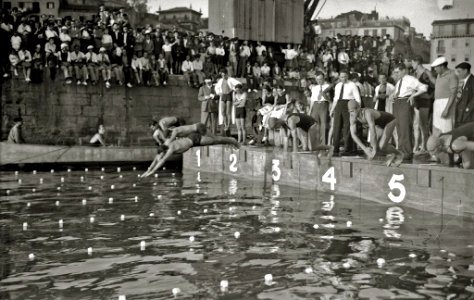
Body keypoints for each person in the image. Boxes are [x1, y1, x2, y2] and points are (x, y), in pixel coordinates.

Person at [141, 133, 240, 177]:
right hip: (191, 141)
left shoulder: (171, 148)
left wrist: (152, 172)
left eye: (162, 154)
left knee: (216, 141)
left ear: (164, 151)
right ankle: (230, 141)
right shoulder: (164, 146)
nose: (161, 156)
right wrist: (147, 171)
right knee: (216, 141)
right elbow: (157, 159)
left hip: (195, 139)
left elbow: (162, 161)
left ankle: (232, 140)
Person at [348, 100, 404, 166]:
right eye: (350, 112)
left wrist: (374, 149)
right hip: (379, 125)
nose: (352, 114)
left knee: (381, 146)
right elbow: (353, 135)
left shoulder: (367, 113)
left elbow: (373, 131)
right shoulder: (352, 117)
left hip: (389, 121)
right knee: (373, 148)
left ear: (358, 108)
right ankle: (392, 154)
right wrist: (364, 148)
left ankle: (399, 154)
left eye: (353, 111)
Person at [390, 64, 428, 161]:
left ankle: (407, 152)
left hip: (405, 102)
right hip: (397, 102)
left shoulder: (410, 79)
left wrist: (413, 95)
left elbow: (424, 87)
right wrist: (392, 95)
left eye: (398, 72)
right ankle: (401, 151)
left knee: (405, 127)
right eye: (395, 72)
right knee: (398, 127)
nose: (396, 74)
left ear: (404, 71)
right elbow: (398, 92)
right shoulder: (399, 81)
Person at [268, 112, 334, 156]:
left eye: (276, 127)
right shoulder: (282, 123)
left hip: (313, 125)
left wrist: (294, 152)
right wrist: (285, 153)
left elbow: (295, 138)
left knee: (312, 148)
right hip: (303, 128)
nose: (277, 128)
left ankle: (330, 147)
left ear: (277, 121)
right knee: (305, 148)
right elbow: (286, 138)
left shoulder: (290, 120)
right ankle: (321, 152)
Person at [331, 71, 361, 156]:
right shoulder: (337, 86)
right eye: (341, 77)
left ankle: (348, 149)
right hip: (338, 105)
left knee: (347, 128)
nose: (343, 78)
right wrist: (332, 110)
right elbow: (335, 99)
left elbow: (358, 99)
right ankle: (335, 149)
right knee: (336, 127)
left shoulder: (352, 85)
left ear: (347, 77)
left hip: (348, 105)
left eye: (345, 76)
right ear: (339, 77)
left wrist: (357, 110)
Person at [412, 56, 435, 154]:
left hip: (425, 100)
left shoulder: (427, 72)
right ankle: (416, 145)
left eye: (412, 62)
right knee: (416, 124)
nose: (411, 65)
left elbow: (435, 83)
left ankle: (424, 147)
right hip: (417, 100)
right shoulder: (415, 73)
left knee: (423, 125)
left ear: (417, 62)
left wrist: (430, 94)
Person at [431, 56, 458, 133]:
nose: (435, 69)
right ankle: (437, 144)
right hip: (437, 102)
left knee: (446, 127)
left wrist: (446, 109)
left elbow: (453, 93)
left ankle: (446, 144)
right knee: (437, 126)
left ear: (442, 66)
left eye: (436, 67)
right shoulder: (439, 75)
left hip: (446, 103)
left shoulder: (452, 75)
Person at [215, 69, 240, 136]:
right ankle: (225, 124)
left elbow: (238, 84)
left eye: (224, 75)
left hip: (228, 95)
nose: (223, 76)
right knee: (223, 111)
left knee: (228, 112)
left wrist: (234, 90)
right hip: (223, 96)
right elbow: (216, 87)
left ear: (226, 74)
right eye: (222, 75)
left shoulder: (230, 79)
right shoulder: (220, 80)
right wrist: (219, 93)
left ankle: (228, 125)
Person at [309, 73, 330, 144]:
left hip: (324, 104)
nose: (319, 81)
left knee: (323, 124)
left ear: (324, 78)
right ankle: (315, 142)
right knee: (315, 124)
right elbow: (312, 100)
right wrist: (310, 110)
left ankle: (323, 142)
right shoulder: (314, 88)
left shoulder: (328, 86)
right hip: (315, 105)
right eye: (317, 79)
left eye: (320, 79)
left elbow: (329, 98)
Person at [453, 62, 474, 127]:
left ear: (465, 71)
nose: (458, 74)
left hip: (467, 115)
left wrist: (468, 109)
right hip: (461, 114)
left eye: (459, 71)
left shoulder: (472, 80)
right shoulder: (465, 81)